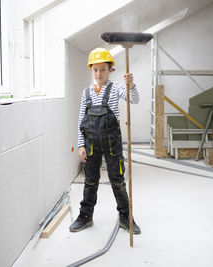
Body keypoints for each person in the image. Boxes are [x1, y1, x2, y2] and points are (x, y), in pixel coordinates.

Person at [69, 47, 141, 234]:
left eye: (103, 69)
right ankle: (85, 216)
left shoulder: (117, 87)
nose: (99, 73)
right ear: (91, 70)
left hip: (112, 143)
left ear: (110, 70)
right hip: (91, 143)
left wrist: (131, 85)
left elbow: (134, 100)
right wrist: (81, 145)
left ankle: (125, 216)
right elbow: (80, 121)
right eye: (95, 69)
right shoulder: (86, 93)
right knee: (90, 181)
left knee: (117, 180)